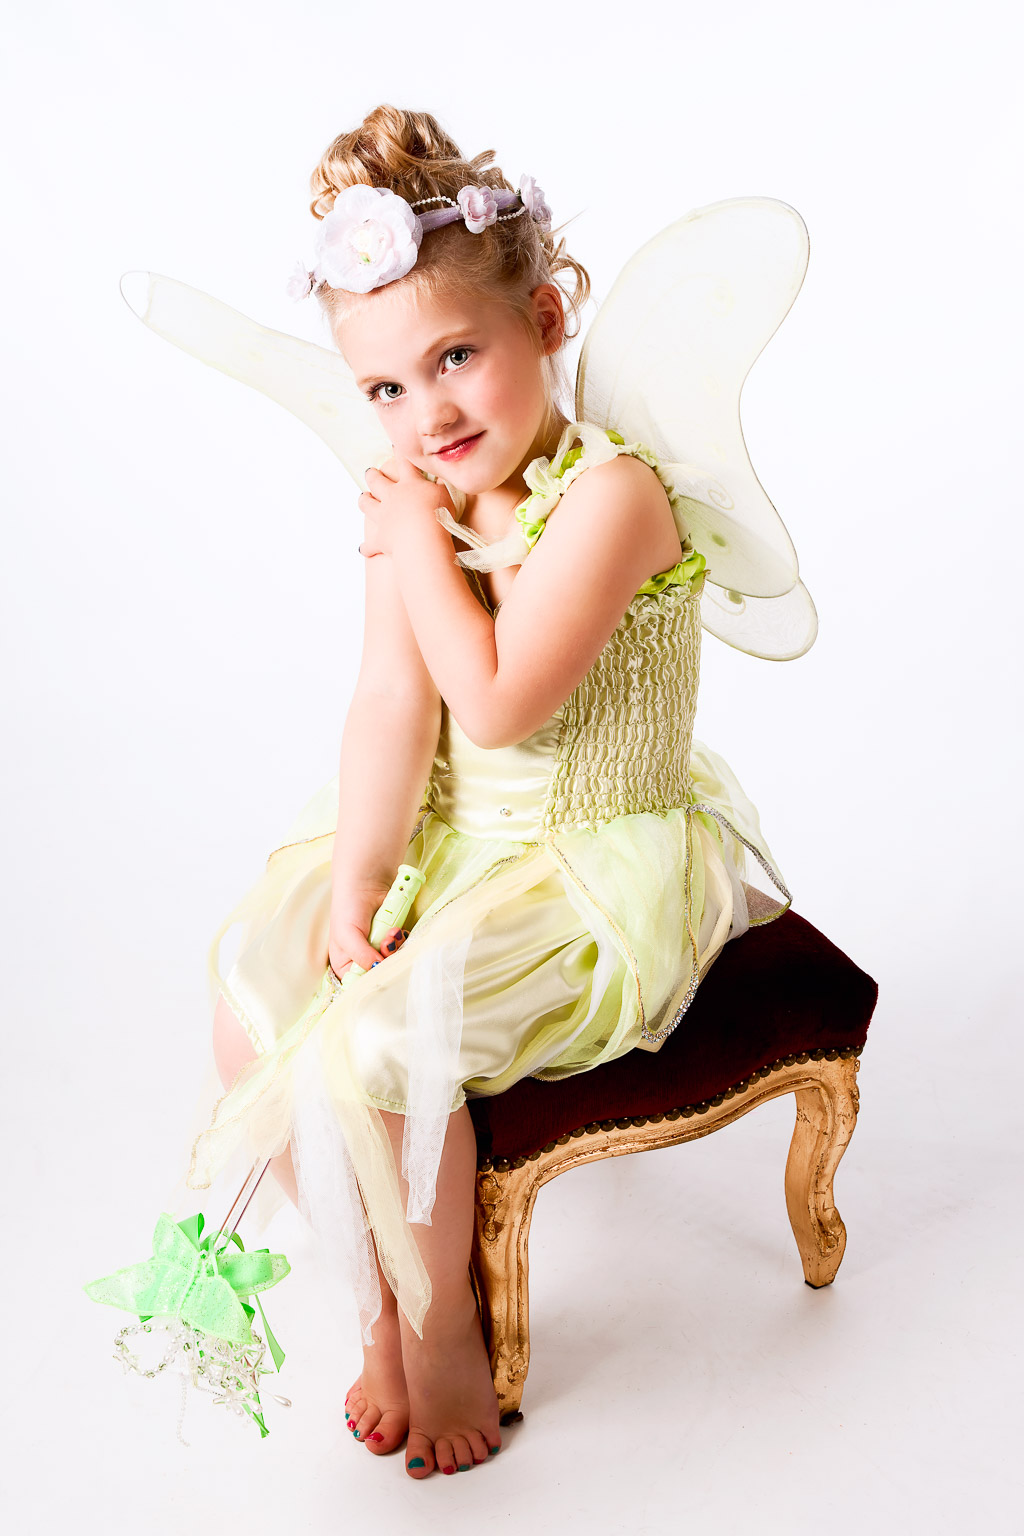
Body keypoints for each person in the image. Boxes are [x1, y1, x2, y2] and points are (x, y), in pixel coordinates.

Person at [186, 104, 796, 1480]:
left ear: (547, 316)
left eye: (456, 357)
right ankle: (378, 1306)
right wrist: (355, 889)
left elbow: (500, 702)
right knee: (254, 1009)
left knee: (377, 1051)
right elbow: (393, 705)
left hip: (587, 862)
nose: (430, 414)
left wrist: (411, 540)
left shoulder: (613, 498)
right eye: (387, 389)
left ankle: (445, 1319)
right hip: (455, 839)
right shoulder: (426, 497)